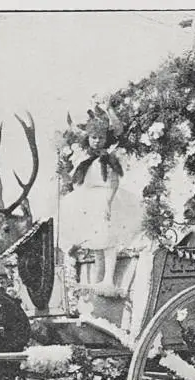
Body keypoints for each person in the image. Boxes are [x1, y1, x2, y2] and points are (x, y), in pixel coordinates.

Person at [59, 105, 125, 295]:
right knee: (96, 243)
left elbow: (114, 183)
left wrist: (107, 203)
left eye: (100, 138)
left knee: (107, 239)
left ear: (106, 139)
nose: (97, 141)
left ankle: (109, 279)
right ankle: (99, 279)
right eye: (93, 138)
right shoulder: (85, 158)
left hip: (104, 198)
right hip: (88, 201)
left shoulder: (109, 158)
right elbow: (79, 181)